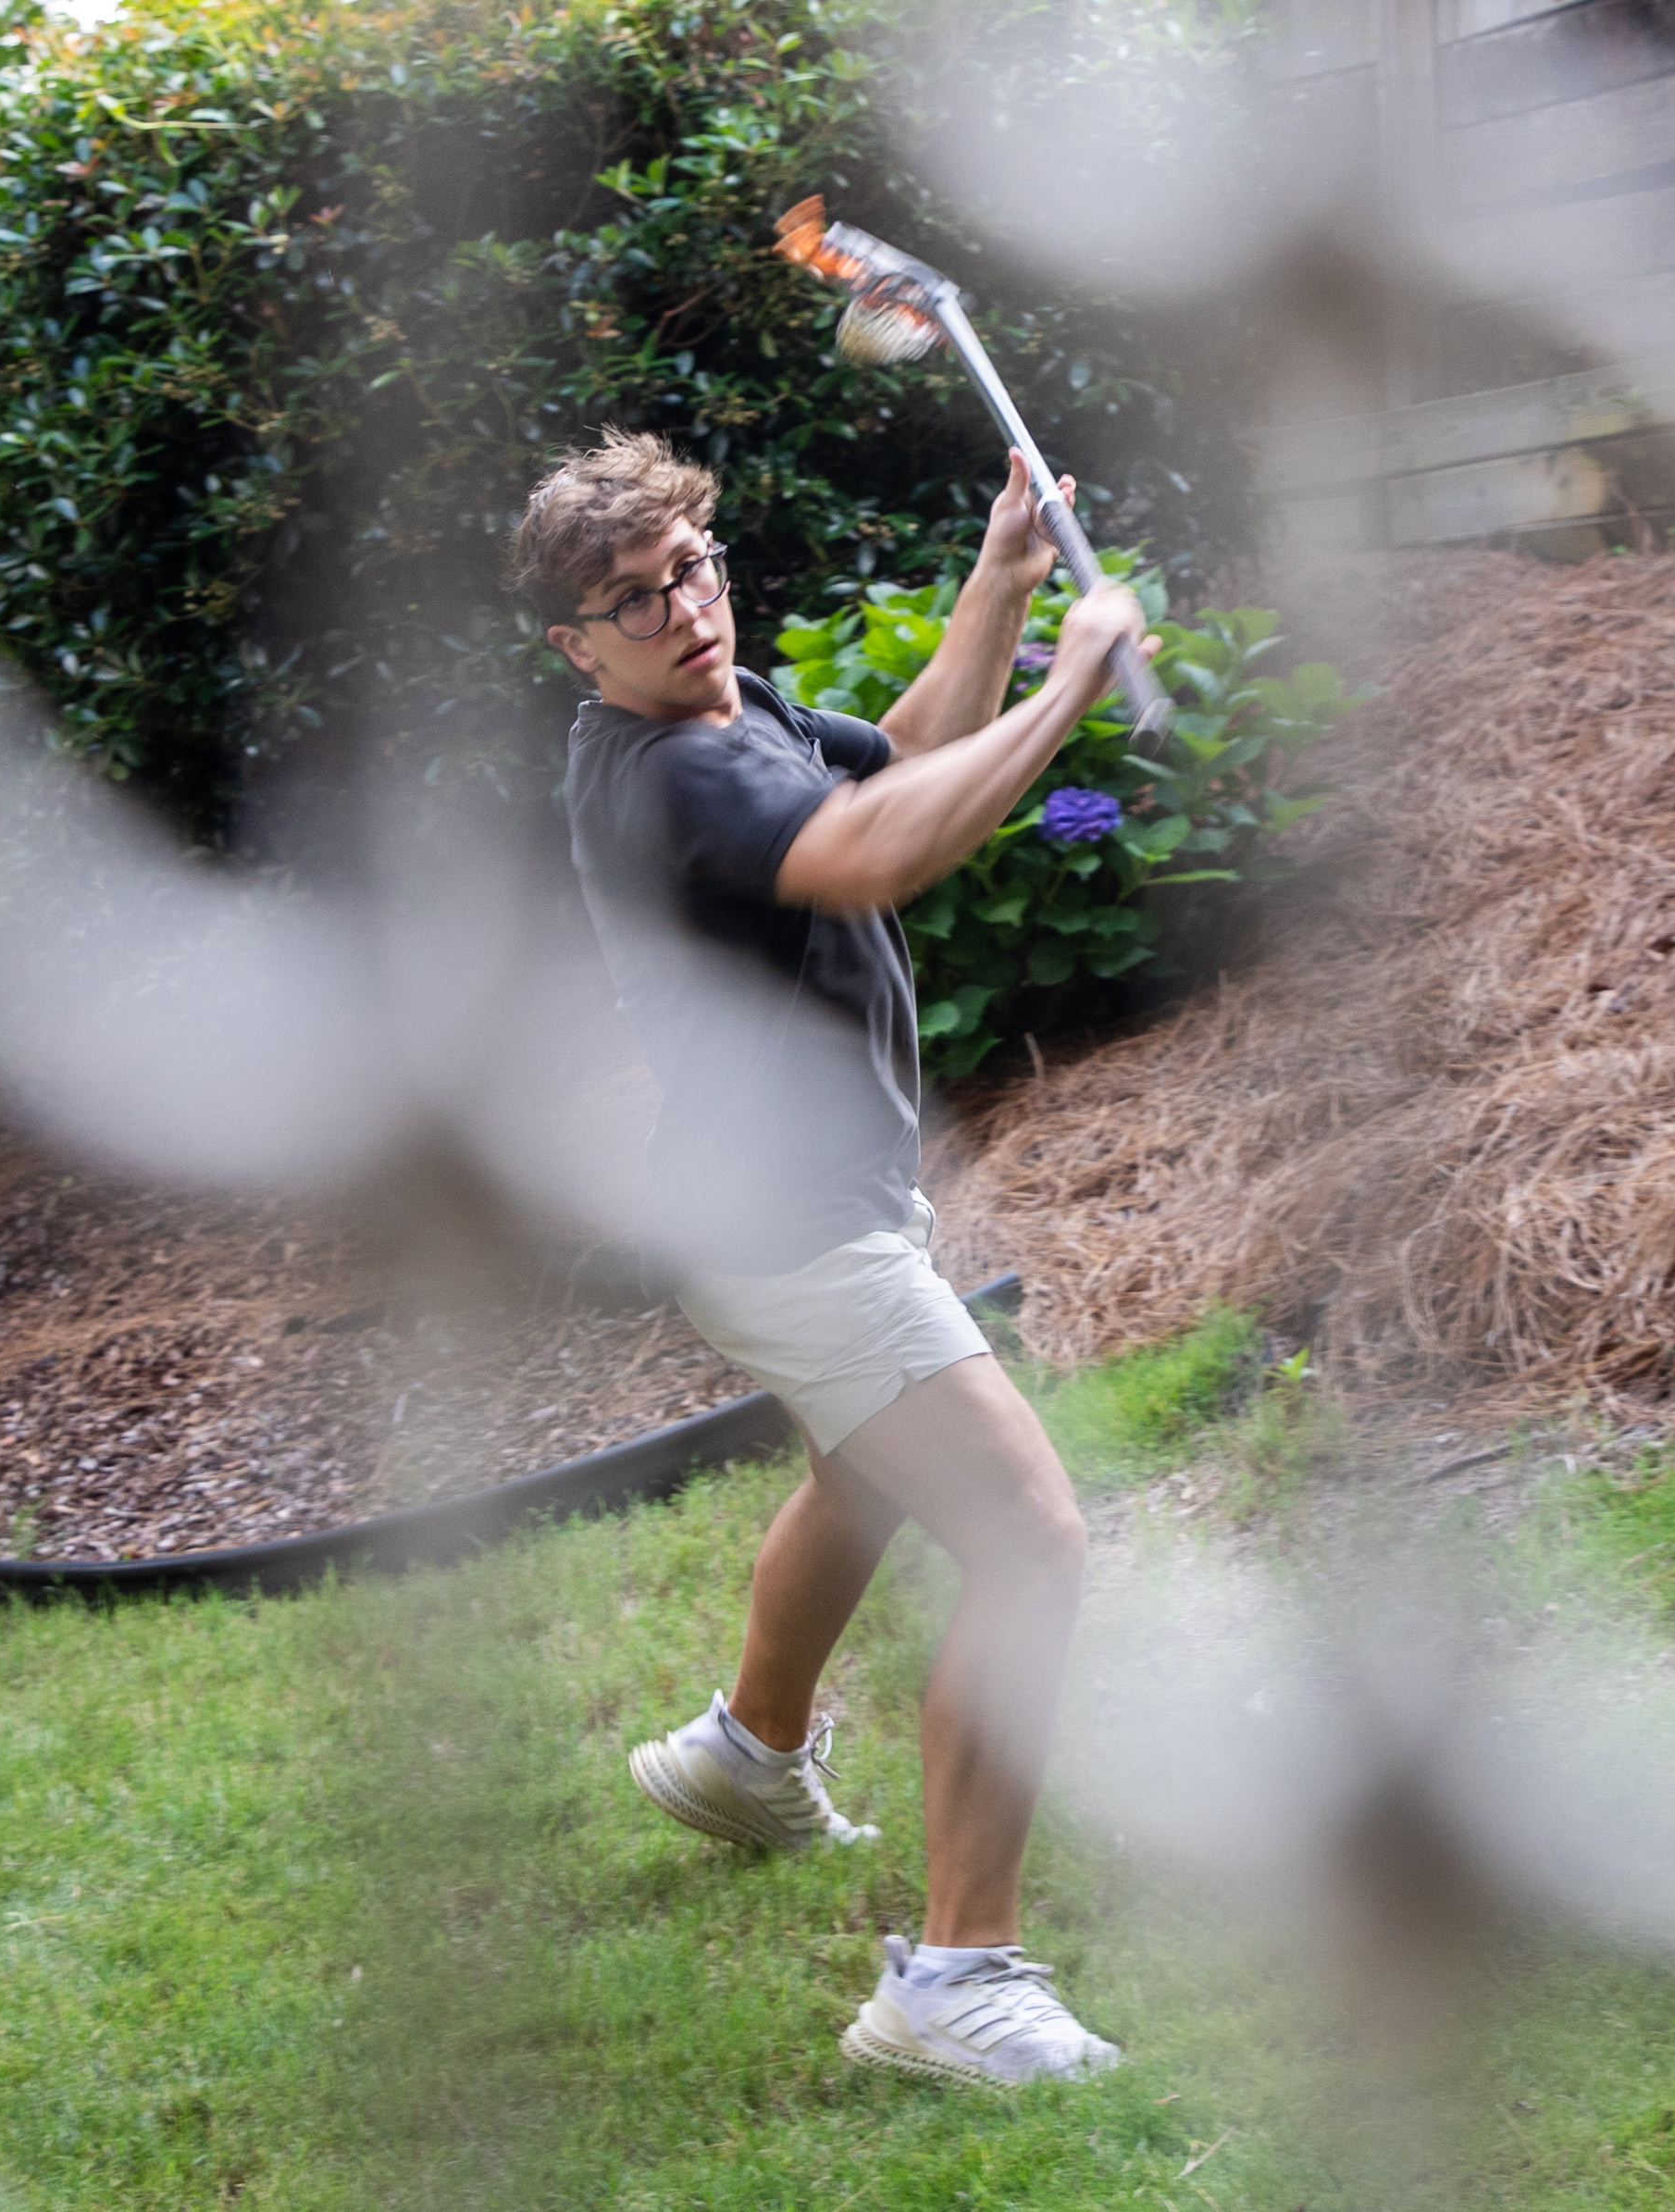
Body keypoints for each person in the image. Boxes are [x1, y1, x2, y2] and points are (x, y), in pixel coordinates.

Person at [509, 428, 1154, 2088]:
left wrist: (1006, 579)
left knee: (863, 1479)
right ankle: (957, 1979)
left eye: (693, 567)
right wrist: (1073, 685)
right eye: (633, 600)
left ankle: (746, 1755)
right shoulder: (670, 773)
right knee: (1028, 1540)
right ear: (576, 645)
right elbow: (876, 851)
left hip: (785, 1206)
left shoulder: (739, 716)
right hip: (793, 1229)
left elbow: (902, 758)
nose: (684, 608)